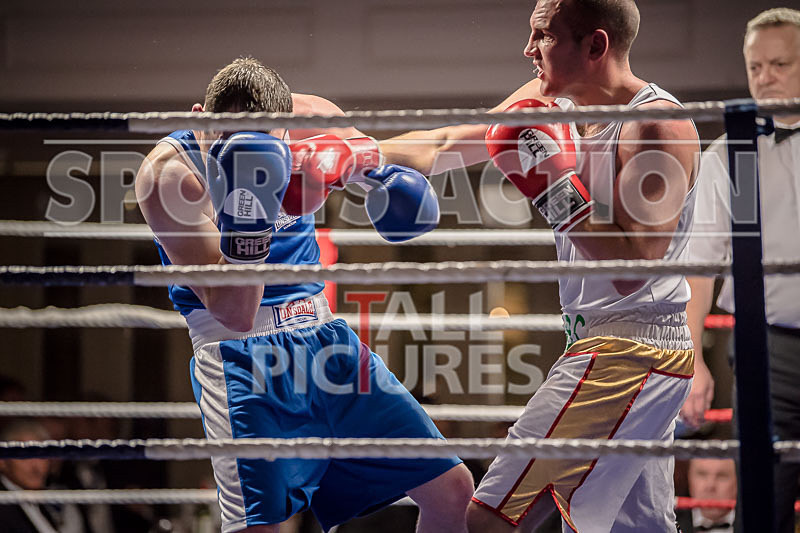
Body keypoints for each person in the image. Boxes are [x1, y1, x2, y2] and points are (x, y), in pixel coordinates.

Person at [379, 0, 700, 530]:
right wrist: (351, 153)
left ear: (595, 45)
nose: (528, 50)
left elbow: (633, 267)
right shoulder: (547, 105)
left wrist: (551, 187)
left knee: (487, 519)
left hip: (631, 350)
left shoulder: (655, 124)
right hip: (606, 344)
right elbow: (440, 146)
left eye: (544, 36)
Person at [134, 57, 473, 533]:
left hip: (326, 338)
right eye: (228, 144)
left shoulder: (311, 119)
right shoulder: (169, 176)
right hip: (242, 359)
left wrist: (371, 173)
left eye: (269, 146)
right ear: (200, 118)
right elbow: (233, 311)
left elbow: (415, 153)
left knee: (453, 492)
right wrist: (248, 208)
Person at [683, 7, 800, 532]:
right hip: (765, 349)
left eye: (780, 63)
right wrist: (691, 363)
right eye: (756, 67)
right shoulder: (730, 153)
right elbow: (700, 265)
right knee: (762, 497)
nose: (765, 77)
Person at [0, 420, 84, 533]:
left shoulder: (40, 503)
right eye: (25, 457)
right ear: (3, 461)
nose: (35, 466)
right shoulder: (4, 505)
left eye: (41, 455)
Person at [676, 459, 736, 533]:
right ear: (689, 477)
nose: (710, 485)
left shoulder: (752, 521)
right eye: (702, 474)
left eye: (721, 475)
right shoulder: (669, 523)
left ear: (738, 481)